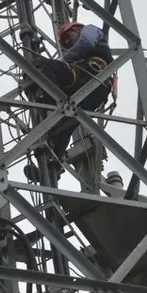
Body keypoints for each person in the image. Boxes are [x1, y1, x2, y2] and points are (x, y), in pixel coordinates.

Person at [24, 22, 116, 182]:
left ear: (77, 29)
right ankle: (51, 167)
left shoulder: (90, 30)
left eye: (68, 37)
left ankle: (52, 105)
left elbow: (86, 42)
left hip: (89, 78)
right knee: (63, 128)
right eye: (66, 42)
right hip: (92, 92)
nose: (69, 43)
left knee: (48, 67)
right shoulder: (82, 51)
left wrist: (61, 60)